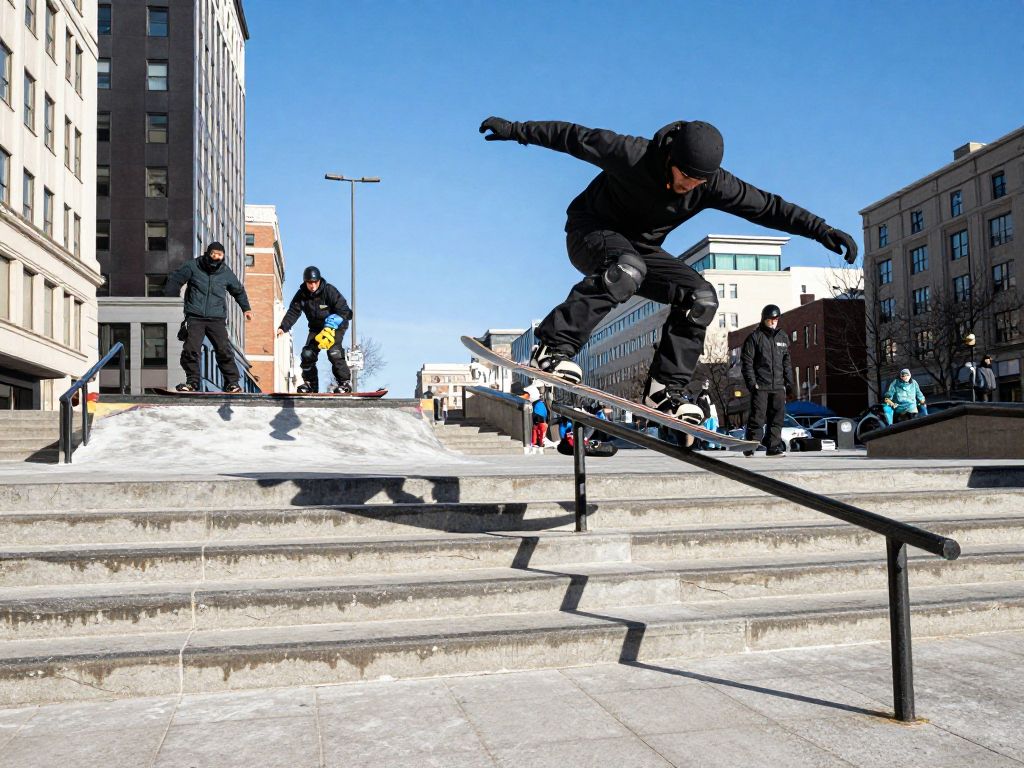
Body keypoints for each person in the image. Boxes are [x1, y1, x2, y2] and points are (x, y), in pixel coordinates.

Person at [479, 116, 856, 427]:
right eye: (684, 176)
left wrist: (821, 229)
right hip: (588, 232)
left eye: (698, 182)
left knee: (701, 297)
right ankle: (552, 346)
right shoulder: (633, 154)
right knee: (627, 269)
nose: (688, 186)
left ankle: (663, 390)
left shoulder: (713, 185)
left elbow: (768, 206)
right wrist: (516, 130)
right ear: (670, 157)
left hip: (640, 252)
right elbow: (573, 137)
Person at [165, 241, 252, 392]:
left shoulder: (225, 272)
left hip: (216, 318)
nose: (216, 258)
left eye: (220, 255)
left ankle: (232, 383)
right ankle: (192, 382)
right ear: (208, 254)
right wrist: (170, 296)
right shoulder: (193, 266)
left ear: (223, 256)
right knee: (191, 349)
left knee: (224, 350)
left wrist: (246, 308)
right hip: (195, 316)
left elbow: (238, 290)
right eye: (214, 254)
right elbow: (176, 279)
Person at [277, 266, 353, 393]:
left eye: (315, 283)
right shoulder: (302, 295)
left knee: (334, 352)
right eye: (309, 283)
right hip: (316, 328)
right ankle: (310, 385)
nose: (312, 286)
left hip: (335, 327)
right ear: (305, 282)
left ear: (319, 281)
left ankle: (344, 383)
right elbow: (293, 311)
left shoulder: (329, 291)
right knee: (307, 354)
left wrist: (335, 320)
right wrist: (283, 327)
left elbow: (346, 311)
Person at [741, 305, 793, 457]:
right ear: (764, 319)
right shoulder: (754, 337)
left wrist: (789, 383)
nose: (773, 322)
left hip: (778, 386)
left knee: (777, 418)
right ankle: (751, 446)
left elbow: (786, 362)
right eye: (770, 320)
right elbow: (747, 362)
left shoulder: (782, 337)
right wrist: (752, 384)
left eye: (776, 320)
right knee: (757, 417)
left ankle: (773, 447)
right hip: (761, 385)